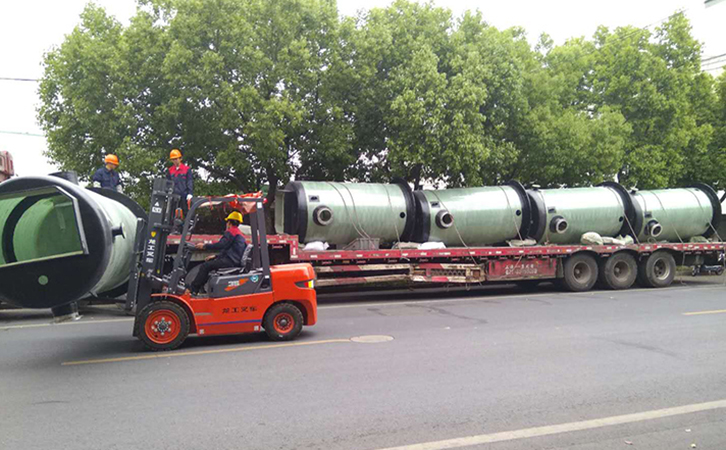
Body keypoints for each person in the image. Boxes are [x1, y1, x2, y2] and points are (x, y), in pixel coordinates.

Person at [188, 211, 247, 295]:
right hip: (233, 260)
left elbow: (221, 245)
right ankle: (201, 289)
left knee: (205, 266)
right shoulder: (238, 233)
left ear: (229, 223)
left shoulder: (231, 232)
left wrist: (205, 246)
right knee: (209, 264)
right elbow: (229, 249)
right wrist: (216, 256)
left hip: (230, 261)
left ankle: (193, 289)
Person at [166, 149, 194, 217]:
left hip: (184, 196)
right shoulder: (170, 170)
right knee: (171, 214)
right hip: (173, 196)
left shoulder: (187, 169)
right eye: (173, 159)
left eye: (176, 159)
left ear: (180, 158)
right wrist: (167, 193)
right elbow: (168, 183)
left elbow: (189, 181)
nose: (175, 161)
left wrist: (190, 193)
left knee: (187, 213)